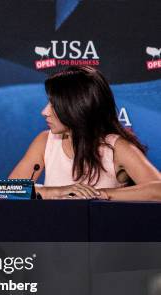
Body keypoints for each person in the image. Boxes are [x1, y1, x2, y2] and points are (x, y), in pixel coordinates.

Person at [9, 66, 161, 200]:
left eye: (54, 105)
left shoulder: (116, 148)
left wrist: (99, 195)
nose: (44, 112)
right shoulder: (45, 141)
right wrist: (56, 192)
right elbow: (4, 191)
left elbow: (158, 189)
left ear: (78, 107)